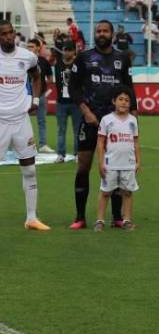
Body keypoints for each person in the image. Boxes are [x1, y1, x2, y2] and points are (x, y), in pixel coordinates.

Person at [68, 20, 137, 230]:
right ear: (94, 34)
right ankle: (80, 216)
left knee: (115, 167)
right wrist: (86, 112)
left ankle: (117, 216)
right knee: (83, 166)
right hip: (90, 121)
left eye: (105, 31)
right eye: (98, 31)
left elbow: (130, 88)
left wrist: (133, 116)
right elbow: (73, 87)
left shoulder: (122, 58)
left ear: (112, 34)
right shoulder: (84, 57)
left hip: (115, 123)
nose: (101, 34)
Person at [0, 20, 50, 231]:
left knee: (29, 168)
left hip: (21, 120)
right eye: (4, 34)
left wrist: (36, 100)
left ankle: (31, 218)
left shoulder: (27, 56)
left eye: (11, 33)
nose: (9, 37)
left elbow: (37, 76)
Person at [94, 88, 140, 232]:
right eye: (120, 99)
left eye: (127, 100)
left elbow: (136, 142)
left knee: (127, 192)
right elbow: (100, 143)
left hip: (128, 163)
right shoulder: (107, 120)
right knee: (105, 192)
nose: (124, 103)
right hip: (110, 164)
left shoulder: (133, 121)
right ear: (114, 101)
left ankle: (126, 220)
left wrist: (138, 161)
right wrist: (100, 162)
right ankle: (100, 220)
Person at [54, 41, 82, 162]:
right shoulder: (58, 64)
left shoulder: (78, 64)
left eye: (70, 50)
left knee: (77, 130)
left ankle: (77, 154)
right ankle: (61, 154)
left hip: (75, 103)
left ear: (74, 51)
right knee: (61, 130)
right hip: (61, 103)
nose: (67, 52)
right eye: (65, 49)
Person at [26, 38, 55, 153]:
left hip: (40, 95)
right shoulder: (23, 60)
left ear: (38, 48)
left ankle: (42, 144)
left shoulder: (43, 61)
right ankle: (20, 145)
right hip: (26, 96)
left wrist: (42, 88)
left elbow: (50, 78)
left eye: (31, 46)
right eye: (28, 46)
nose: (29, 49)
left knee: (41, 121)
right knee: (21, 121)